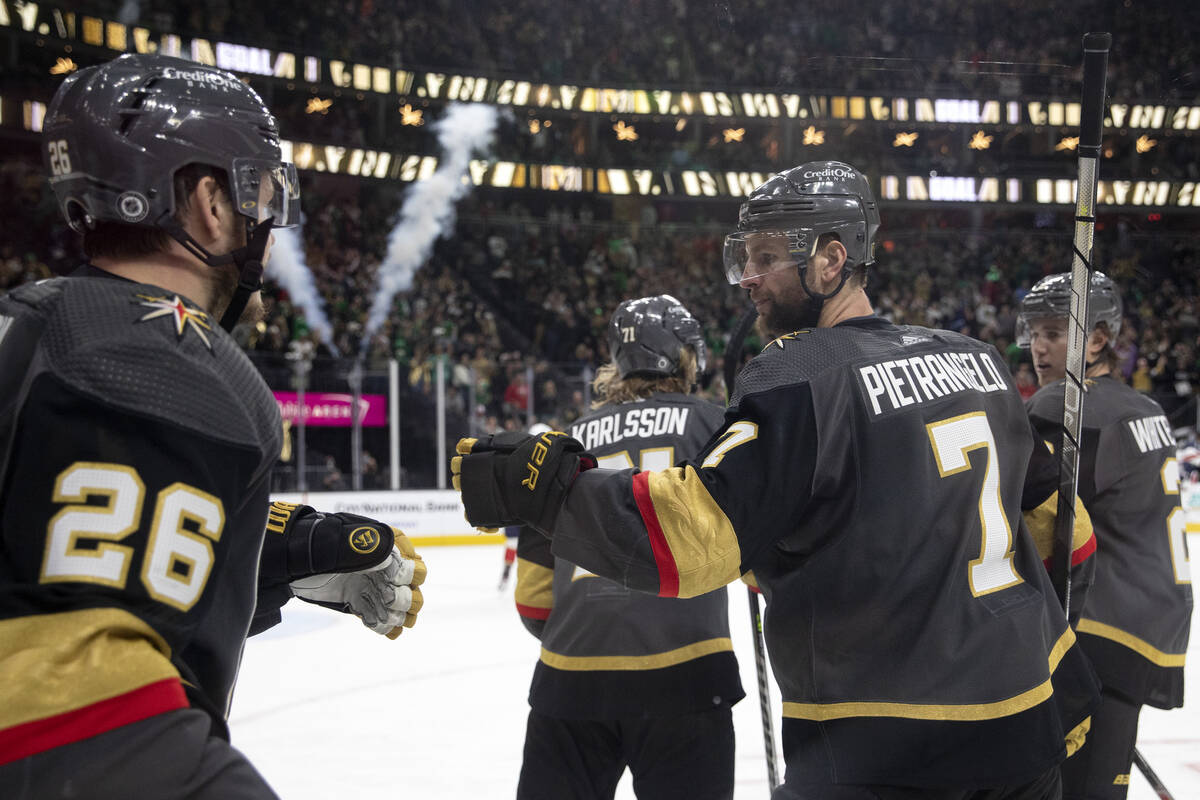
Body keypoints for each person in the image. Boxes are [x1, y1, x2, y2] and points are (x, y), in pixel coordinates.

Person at [454, 161, 1099, 798]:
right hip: (1025, 727)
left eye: (765, 258)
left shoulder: (799, 375)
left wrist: (547, 488)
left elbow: (691, 537)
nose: (749, 280)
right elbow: (1069, 542)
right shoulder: (978, 362)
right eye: (747, 258)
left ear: (830, 259)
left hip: (879, 745)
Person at [0, 54, 425, 798]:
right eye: (253, 191)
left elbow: (49, 544)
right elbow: (76, 707)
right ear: (206, 202)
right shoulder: (182, 369)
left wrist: (282, 549)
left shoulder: (30, 320)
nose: (265, 222)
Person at [512, 295, 743, 800]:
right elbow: (757, 551)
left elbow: (532, 601)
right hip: (688, 675)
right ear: (685, 357)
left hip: (569, 681)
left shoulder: (560, 445)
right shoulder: (712, 424)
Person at [1019, 272, 1193, 799]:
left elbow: (1033, 520)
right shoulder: (1149, 410)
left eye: (1054, 331)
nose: (1038, 346)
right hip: (1152, 626)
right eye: (1034, 332)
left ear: (1096, 339)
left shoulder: (1065, 408)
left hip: (1095, 629)